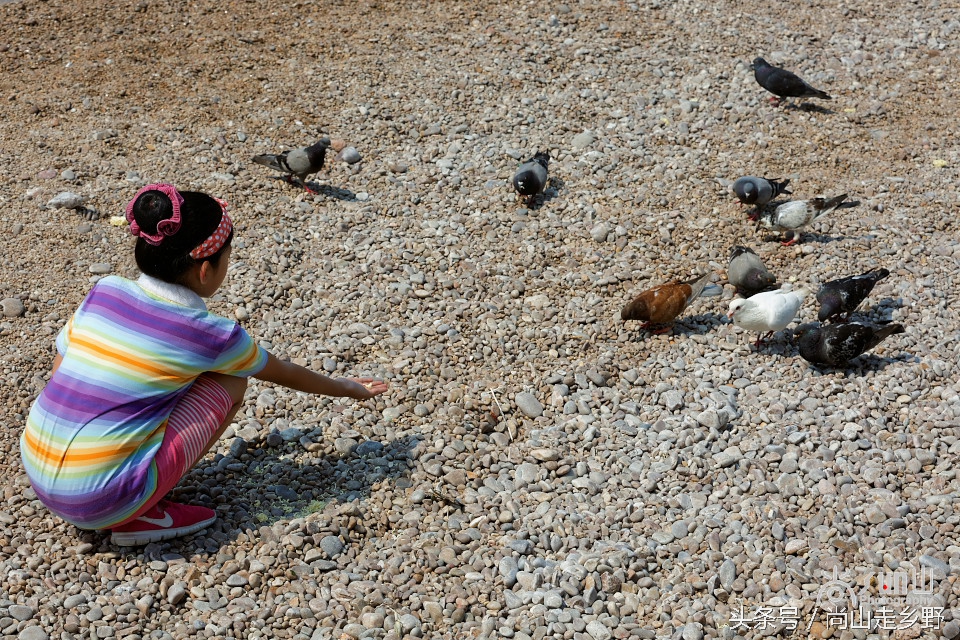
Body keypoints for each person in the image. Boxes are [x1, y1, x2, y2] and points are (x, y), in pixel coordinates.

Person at [21, 183, 388, 546]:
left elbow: (61, 364)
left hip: (37, 466)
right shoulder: (211, 333)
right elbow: (282, 372)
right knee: (232, 382)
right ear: (204, 270)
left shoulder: (106, 290)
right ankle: (143, 512)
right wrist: (347, 388)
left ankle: (114, 477)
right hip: (101, 502)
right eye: (226, 259)